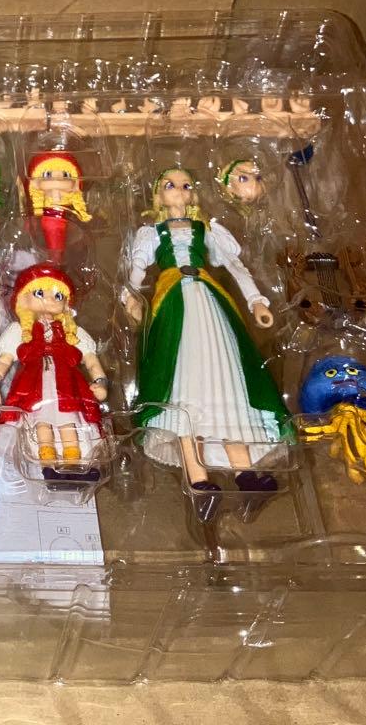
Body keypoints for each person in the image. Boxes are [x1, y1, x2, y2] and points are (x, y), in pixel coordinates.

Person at [123, 167, 290, 508]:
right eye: (170, 184)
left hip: (209, 300)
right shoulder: (152, 232)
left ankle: (246, 474)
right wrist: (129, 297)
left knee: (226, 381)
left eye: (185, 184)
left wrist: (256, 300)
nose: (179, 190)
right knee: (184, 386)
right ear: (158, 196)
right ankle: (199, 482)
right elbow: (137, 268)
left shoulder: (206, 229)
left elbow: (234, 266)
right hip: (173, 304)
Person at [0, 263, 107, 479]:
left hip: (67, 386)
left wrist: (100, 381)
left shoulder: (72, 332)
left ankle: (75, 465)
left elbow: (91, 360)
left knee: (69, 423)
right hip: (33, 388)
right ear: (23, 299)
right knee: (41, 424)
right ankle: (49, 468)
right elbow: (4, 362)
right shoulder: (20, 331)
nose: (50, 299)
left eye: (58, 295)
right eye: (40, 293)